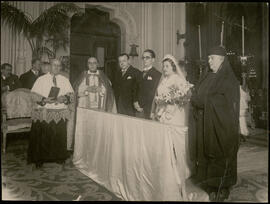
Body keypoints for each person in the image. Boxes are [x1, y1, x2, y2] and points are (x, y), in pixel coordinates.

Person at [189, 46, 240, 201]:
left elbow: (225, 103)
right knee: (205, 152)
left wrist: (201, 100)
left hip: (221, 125)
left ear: (222, 60)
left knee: (220, 154)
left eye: (212, 58)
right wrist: (195, 96)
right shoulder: (207, 76)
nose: (209, 61)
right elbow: (198, 92)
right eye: (209, 58)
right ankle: (209, 183)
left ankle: (221, 187)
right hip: (206, 122)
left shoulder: (229, 79)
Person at [151, 54, 194, 200]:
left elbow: (186, 96)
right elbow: (160, 98)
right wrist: (160, 107)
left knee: (177, 147)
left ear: (173, 67)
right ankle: (168, 175)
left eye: (167, 66)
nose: (164, 69)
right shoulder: (164, 80)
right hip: (163, 116)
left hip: (175, 117)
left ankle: (180, 177)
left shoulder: (178, 79)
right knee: (165, 146)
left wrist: (173, 104)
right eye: (163, 66)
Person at [27, 58, 74, 169]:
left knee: (58, 135)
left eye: (59, 66)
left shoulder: (65, 80)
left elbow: (71, 94)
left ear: (61, 67)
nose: (56, 67)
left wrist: (65, 98)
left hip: (59, 111)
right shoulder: (41, 79)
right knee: (42, 136)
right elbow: (33, 95)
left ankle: (58, 157)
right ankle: (40, 159)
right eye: (54, 65)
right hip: (44, 110)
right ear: (49, 66)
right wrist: (44, 99)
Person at [134, 49, 161, 119]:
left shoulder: (157, 74)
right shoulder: (140, 73)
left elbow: (154, 93)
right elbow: (135, 89)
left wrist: (142, 106)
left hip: (149, 109)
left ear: (153, 60)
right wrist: (135, 102)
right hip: (138, 108)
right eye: (143, 58)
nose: (145, 60)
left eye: (147, 57)